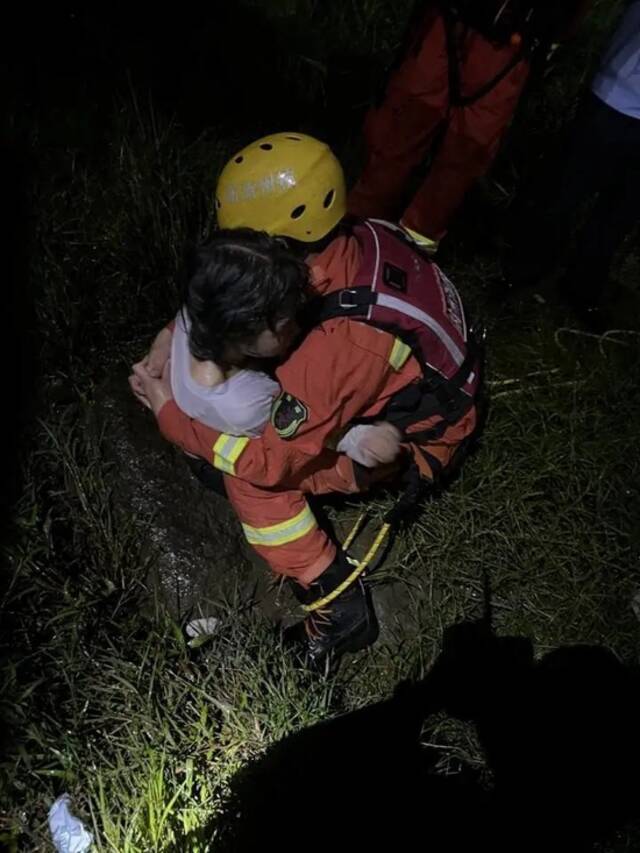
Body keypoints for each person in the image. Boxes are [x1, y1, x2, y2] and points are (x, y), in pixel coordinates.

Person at [132, 133, 481, 666]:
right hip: (404, 381)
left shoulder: (338, 345)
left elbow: (271, 460)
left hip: (417, 442)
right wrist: (172, 336)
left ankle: (337, 606)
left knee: (250, 476)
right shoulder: (346, 236)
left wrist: (171, 416)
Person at [347, 0, 587, 254]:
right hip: (449, 22)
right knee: (404, 125)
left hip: (514, 45)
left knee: (465, 152)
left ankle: (412, 253)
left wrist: (551, 35)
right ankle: (352, 229)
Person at [506, 1, 640, 330]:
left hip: (617, 100)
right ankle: (523, 271)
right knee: (567, 191)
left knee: (618, 215)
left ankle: (582, 286)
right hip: (616, 96)